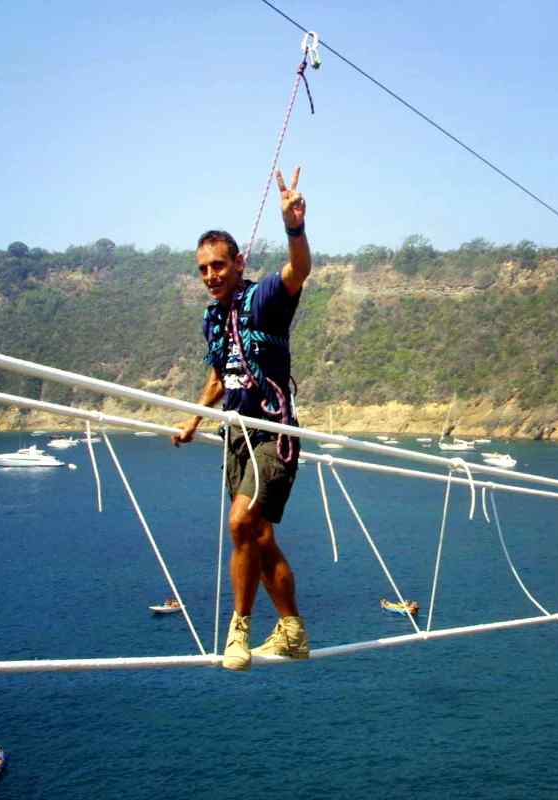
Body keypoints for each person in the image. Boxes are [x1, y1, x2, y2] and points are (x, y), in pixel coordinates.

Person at [172, 167, 312, 671]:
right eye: (203, 269)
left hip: (273, 433)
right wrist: (193, 420)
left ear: (238, 262)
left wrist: (294, 226)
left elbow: (299, 271)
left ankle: (240, 629)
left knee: (240, 524)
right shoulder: (211, 317)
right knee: (260, 537)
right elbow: (219, 374)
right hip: (235, 436)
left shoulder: (263, 299)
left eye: (218, 266)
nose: (211, 276)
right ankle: (293, 629)